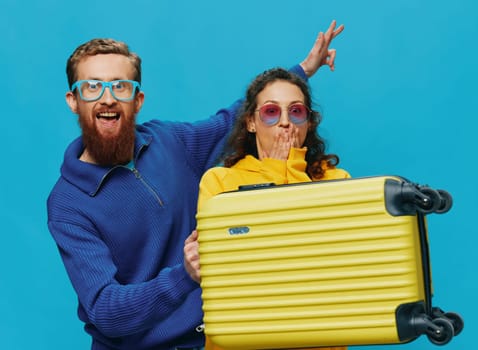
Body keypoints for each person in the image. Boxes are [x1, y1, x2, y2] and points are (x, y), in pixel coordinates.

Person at [46, 21, 344, 350]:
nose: (107, 99)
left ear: (138, 99)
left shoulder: (171, 142)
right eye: (92, 87)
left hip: (211, 339)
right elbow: (105, 310)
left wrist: (302, 70)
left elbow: (238, 116)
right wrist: (183, 276)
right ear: (73, 101)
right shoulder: (68, 202)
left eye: (120, 87)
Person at [187, 67, 350, 350]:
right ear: (251, 121)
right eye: (271, 112)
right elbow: (241, 269)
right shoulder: (219, 182)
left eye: (296, 111)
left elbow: (324, 263)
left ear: (309, 123)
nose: (285, 122)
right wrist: (275, 171)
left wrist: (291, 168)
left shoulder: (337, 180)